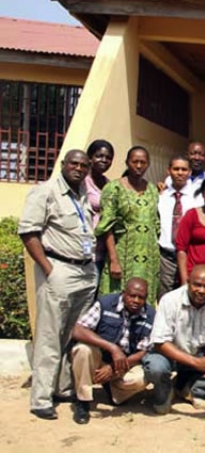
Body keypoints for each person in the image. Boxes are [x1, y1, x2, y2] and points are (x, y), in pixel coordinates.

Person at [19, 149, 97, 420]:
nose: (79, 168)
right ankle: (41, 398)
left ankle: (62, 387)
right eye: (74, 163)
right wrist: (49, 269)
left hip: (85, 272)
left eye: (84, 165)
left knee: (70, 333)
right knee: (50, 334)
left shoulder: (82, 193)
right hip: (59, 268)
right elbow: (29, 232)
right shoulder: (46, 191)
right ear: (63, 165)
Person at [142, 265, 205, 413]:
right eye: (197, 285)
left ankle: (196, 391)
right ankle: (165, 393)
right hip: (172, 355)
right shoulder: (170, 300)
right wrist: (196, 362)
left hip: (203, 352)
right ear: (188, 282)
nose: (201, 290)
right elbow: (160, 342)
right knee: (156, 368)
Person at [70, 278, 155, 424]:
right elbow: (78, 330)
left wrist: (113, 368)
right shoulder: (105, 304)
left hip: (125, 365)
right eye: (132, 295)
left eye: (141, 297)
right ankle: (82, 401)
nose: (136, 300)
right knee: (82, 350)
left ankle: (114, 391)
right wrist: (112, 348)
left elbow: (144, 352)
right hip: (99, 358)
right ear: (123, 294)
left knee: (142, 378)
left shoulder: (151, 316)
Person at [96, 146, 161, 303]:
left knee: (144, 301)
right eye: (135, 162)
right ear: (127, 163)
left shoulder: (152, 189)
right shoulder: (113, 189)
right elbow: (107, 226)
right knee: (117, 300)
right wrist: (114, 260)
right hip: (122, 255)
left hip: (148, 260)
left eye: (143, 162)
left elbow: (155, 224)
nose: (139, 166)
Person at [157, 155, 196, 301]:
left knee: (187, 296)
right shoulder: (160, 197)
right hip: (165, 256)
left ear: (190, 172)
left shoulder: (197, 198)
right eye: (176, 169)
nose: (180, 173)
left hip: (188, 255)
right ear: (168, 171)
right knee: (165, 298)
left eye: (184, 169)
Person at [85, 139, 114, 276]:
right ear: (90, 158)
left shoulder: (109, 184)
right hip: (85, 253)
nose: (104, 160)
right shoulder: (82, 182)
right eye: (99, 156)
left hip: (104, 252)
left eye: (108, 158)